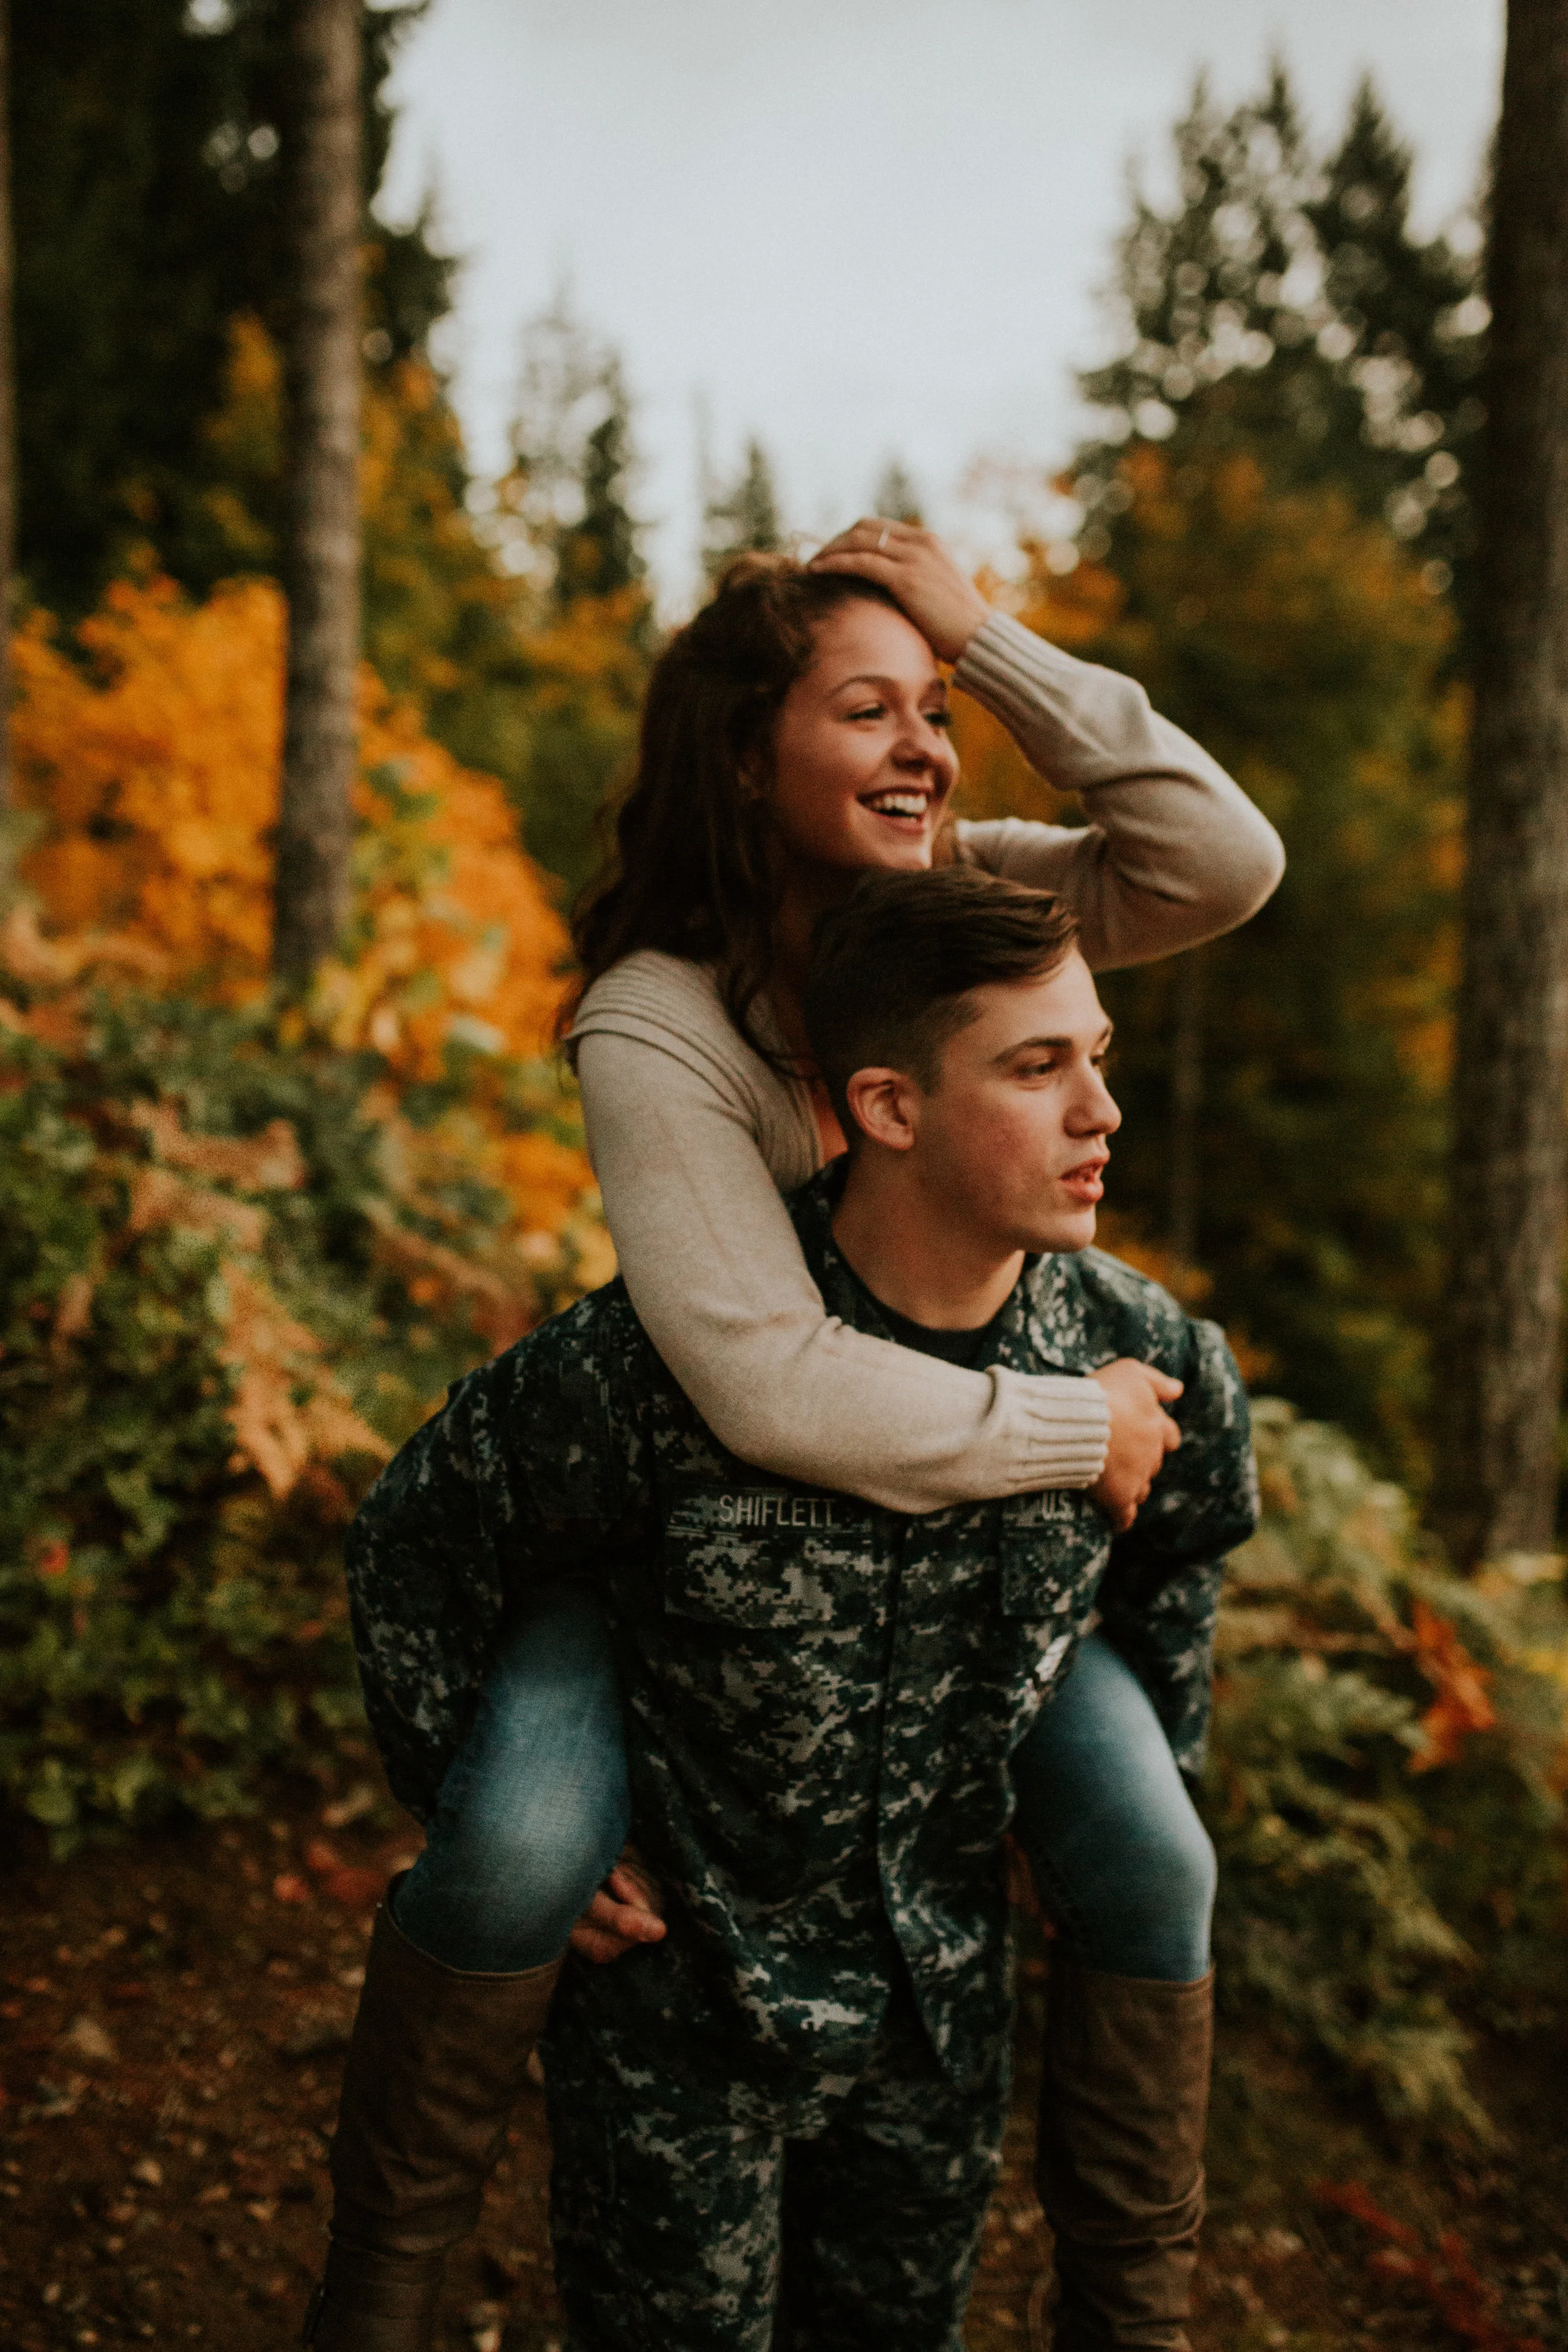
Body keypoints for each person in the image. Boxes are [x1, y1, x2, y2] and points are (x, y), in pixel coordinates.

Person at [317, 867, 1259, 2352]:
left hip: (932, 2022)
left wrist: (1089, 1810)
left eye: (1098, 1057)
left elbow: (1181, 1557)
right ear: (886, 1107)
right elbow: (414, 1544)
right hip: (683, 2029)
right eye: (1035, 1067)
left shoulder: (1138, 1354)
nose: (1100, 1113)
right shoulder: (669, 1365)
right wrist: (503, 1809)